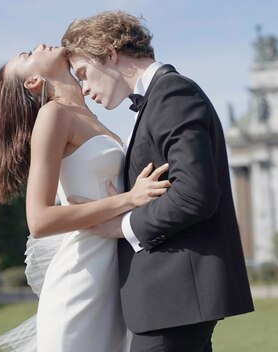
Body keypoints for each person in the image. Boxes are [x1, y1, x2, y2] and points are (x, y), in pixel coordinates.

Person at [62, 11, 254, 352]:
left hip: (177, 297)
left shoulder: (172, 93)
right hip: (170, 301)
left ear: (109, 53)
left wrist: (120, 226)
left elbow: (195, 195)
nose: (85, 88)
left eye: (83, 74)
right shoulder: (158, 99)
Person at [0, 43, 171, 352]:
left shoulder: (92, 116)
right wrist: (129, 199)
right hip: (80, 279)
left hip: (114, 279)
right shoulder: (53, 115)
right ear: (33, 82)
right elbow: (40, 220)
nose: (39, 46)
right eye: (28, 56)